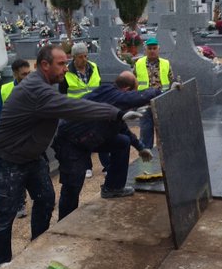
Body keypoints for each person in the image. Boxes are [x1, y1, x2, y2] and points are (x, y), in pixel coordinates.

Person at [0, 45, 140, 268]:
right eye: (61, 63)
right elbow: (73, 107)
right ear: (44, 65)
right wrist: (116, 112)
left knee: (46, 199)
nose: (66, 68)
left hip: (32, 155)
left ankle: (36, 247)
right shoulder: (36, 89)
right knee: (5, 212)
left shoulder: (46, 84)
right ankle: (2, 264)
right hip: (7, 157)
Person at [53, 70, 160, 220]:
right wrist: (160, 91)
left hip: (89, 137)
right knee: (73, 184)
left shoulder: (113, 98)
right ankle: (64, 221)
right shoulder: (112, 94)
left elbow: (121, 127)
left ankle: (113, 188)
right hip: (71, 142)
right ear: (127, 90)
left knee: (122, 141)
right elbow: (137, 97)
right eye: (132, 92)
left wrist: (140, 147)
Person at [59, 41, 102, 178]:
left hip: (94, 108)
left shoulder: (94, 67)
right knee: (83, 139)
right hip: (77, 111)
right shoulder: (66, 72)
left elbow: (99, 86)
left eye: (85, 56)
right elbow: (63, 94)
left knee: (101, 135)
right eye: (80, 57)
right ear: (74, 57)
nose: (84, 59)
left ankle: (107, 166)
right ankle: (87, 166)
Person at [0, 58, 31, 218]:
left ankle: (44, 198)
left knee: (40, 168)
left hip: (32, 137)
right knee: (17, 173)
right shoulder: (5, 89)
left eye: (29, 73)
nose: (27, 77)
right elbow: (0, 116)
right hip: (14, 139)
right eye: (23, 74)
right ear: (15, 74)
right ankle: (20, 204)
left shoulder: (34, 87)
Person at [133, 36, 174, 148]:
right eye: (150, 48)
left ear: (158, 49)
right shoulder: (138, 63)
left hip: (161, 100)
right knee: (146, 129)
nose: (152, 51)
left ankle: (166, 150)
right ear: (146, 50)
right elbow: (133, 82)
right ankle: (146, 152)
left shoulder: (166, 63)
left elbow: (171, 80)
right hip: (144, 101)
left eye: (154, 48)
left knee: (163, 129)